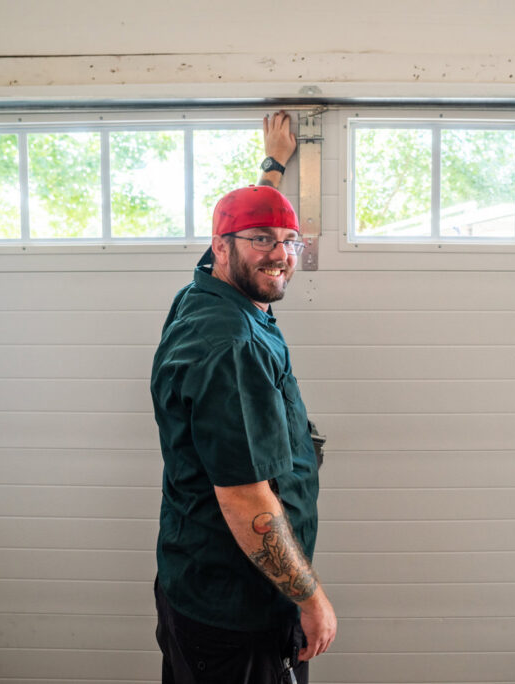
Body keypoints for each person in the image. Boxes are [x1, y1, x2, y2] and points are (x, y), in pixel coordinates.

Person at [150, 110, 337, 684]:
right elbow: (245, 503)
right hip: (237, 610)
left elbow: (253, 223)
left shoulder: (210, 290)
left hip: (203, 585)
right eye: (261, 240)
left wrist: (272, 167)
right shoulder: (227, 346)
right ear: (221, 246)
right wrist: (311, 601)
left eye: (288, 241)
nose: (279, 254)